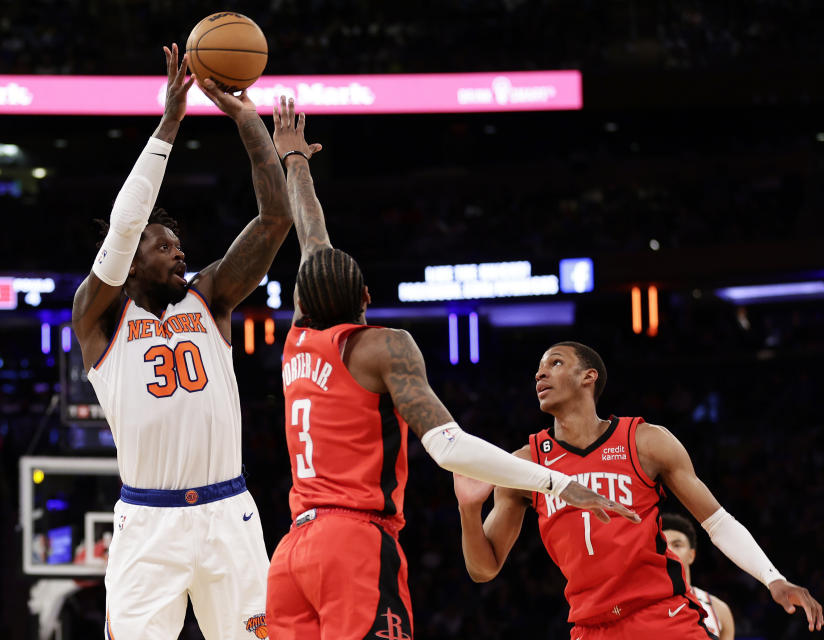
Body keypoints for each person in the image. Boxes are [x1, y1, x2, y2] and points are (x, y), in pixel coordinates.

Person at [263, 97, 639, 640]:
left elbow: (312, 239)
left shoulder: (298, 338)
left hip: (291, 552)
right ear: (367, 297)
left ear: (304, 299)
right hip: (352, 544)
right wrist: (558, 482)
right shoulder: (381, 346)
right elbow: (447, 446)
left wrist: (293, 160)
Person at [71, 44, 294, 639]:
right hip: (149, 524)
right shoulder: (97, 318)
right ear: (132, 263)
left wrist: (249, 124)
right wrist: (170, 121)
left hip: (230, 514)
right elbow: (122, 228)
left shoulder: (210, 297)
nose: (180, 254)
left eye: (179, 246)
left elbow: (276, 220)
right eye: (163, 247)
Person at [454, 341, 823, 639]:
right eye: (539, 367)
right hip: (589, 627)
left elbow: (717, 522)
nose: (539, 373)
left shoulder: (645, 441)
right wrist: (469, 511)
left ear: (588, 377)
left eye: (555, 363)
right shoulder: (523, 463)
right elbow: (484, 570)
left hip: (661, 617)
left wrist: (773, 578)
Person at [663, 512, 734, 639]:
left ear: (692, 555)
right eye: (663, 545)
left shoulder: (719, 609)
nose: (669, 550)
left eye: (677, 545)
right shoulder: (639, 604)